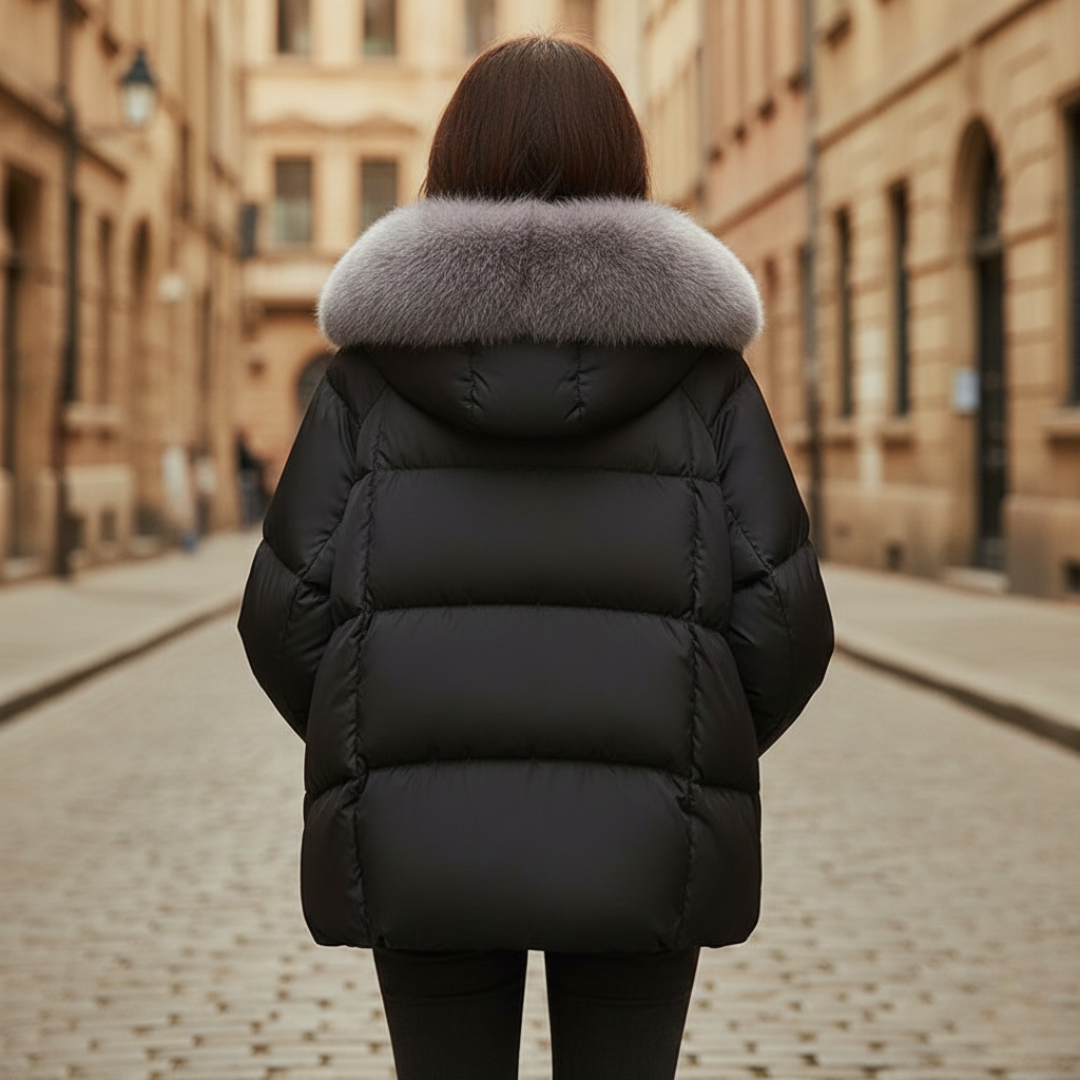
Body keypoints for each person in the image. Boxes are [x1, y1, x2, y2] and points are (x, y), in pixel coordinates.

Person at [239, 35, 833, 1080]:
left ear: (448, 160)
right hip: (650, 836)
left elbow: (282, 616)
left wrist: (377, 727)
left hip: (424, 842)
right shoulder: (704, 381)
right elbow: (785, 622)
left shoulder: (367, 382)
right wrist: (690, 737)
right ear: (627, 161)